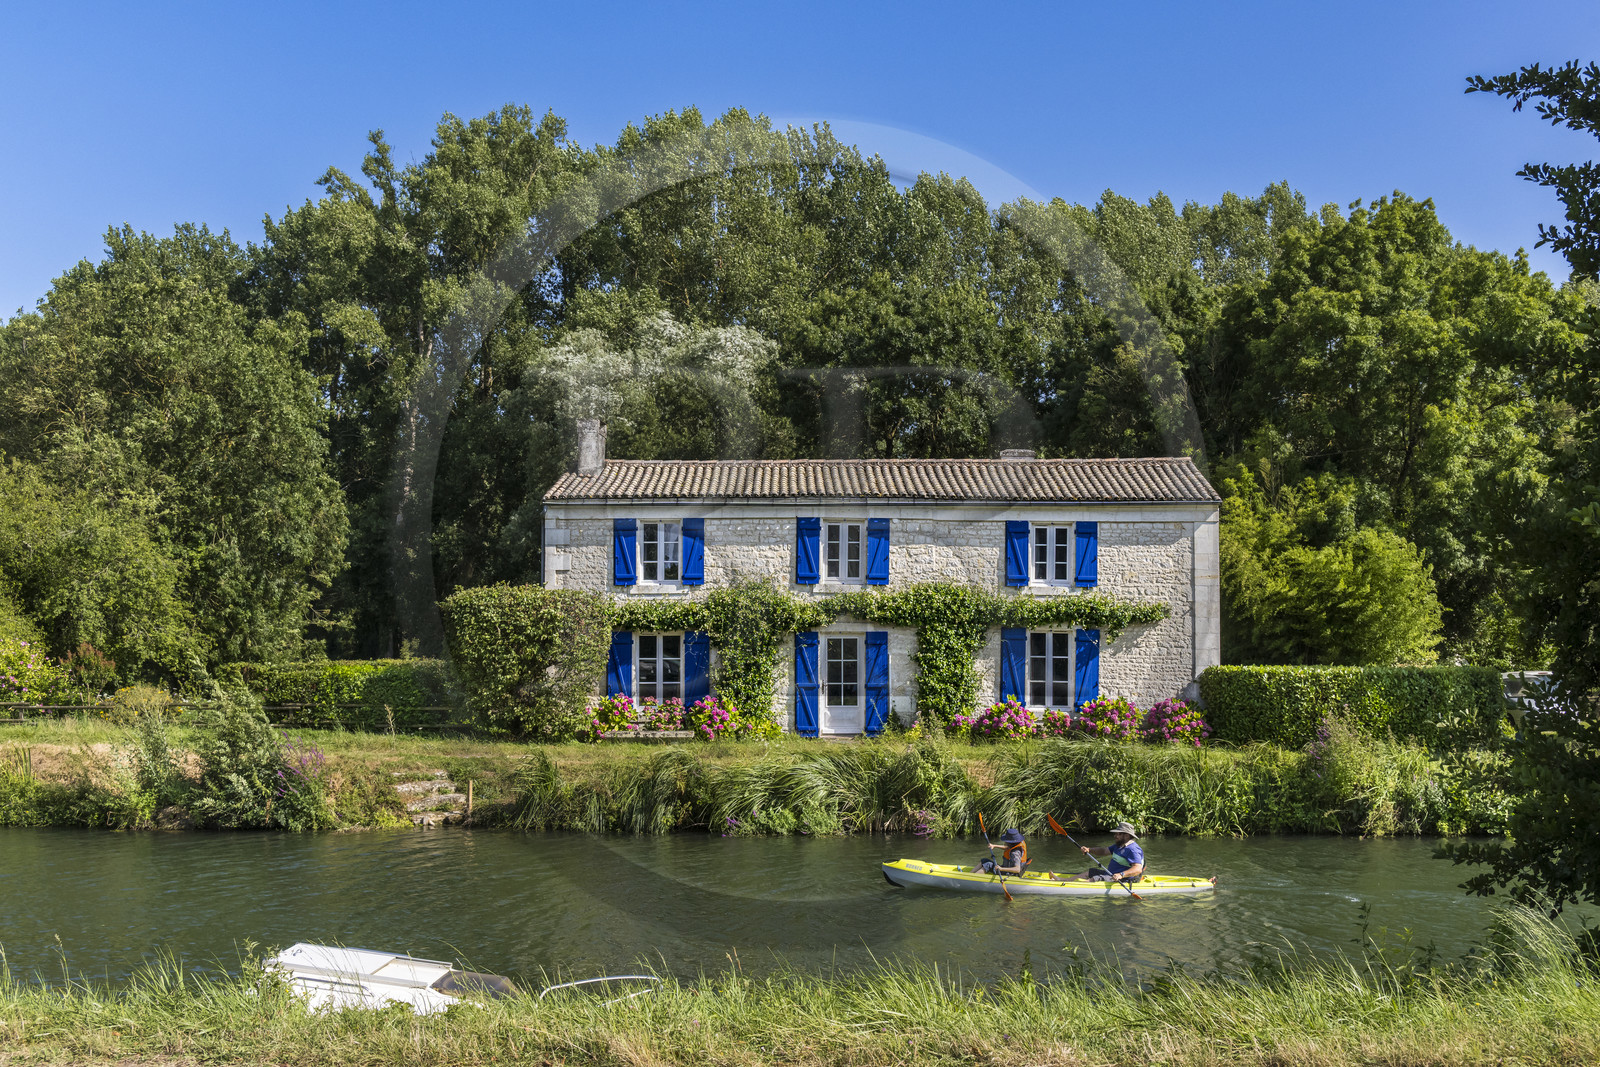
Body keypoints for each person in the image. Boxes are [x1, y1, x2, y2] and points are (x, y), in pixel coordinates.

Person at [1062, 822, 1144, 883]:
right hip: (1110, 874)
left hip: (1123, 879)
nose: (1115, 836)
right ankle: (1062, 880)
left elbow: (1138, 868)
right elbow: (1104, 851)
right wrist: (1089, 850)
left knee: (1096, 878)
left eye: (1117, 834)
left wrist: (1121, 875)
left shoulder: (1133, 849)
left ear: (1126, 835)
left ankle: (1072, 886)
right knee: (1090, 872)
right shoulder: (1119, 845)